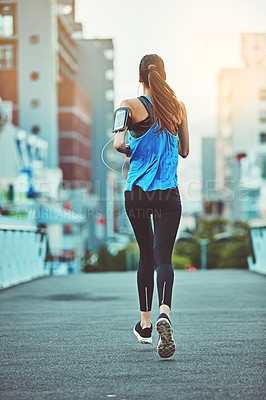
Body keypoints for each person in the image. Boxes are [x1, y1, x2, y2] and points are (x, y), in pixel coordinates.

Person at [113, 54, 189, 359]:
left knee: (145, 254)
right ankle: (164, 313)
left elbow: (119, 144)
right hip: (168, 193)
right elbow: (184, 151)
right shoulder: (178, 107)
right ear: (164, 76)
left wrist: (137, 149)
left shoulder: (129, 104)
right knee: (163, 257)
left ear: (140, 77)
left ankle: (145, 324)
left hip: (139, 192)